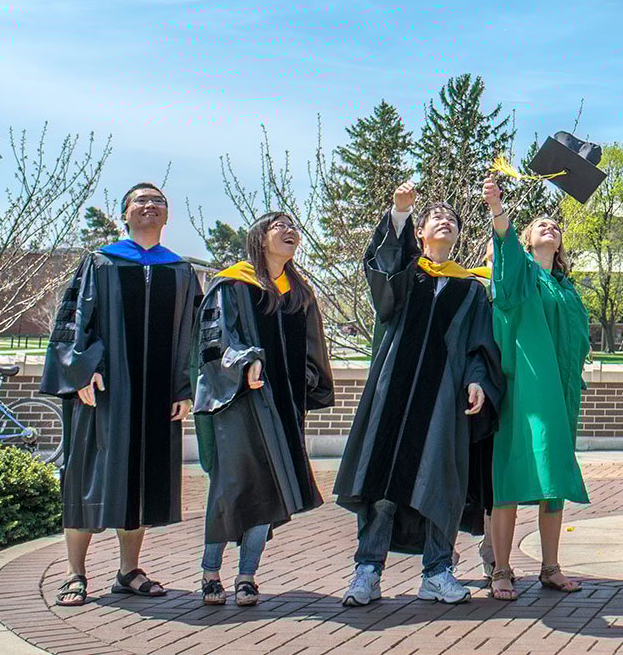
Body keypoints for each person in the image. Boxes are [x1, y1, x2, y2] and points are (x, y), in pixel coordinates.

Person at [333, 183, 501, 607]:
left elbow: (480, 343)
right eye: (436, 218)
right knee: (384, 483)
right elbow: (383, 273)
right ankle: (367, 571)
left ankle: (437, 572)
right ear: (422, 232)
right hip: (395, 393)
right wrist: (399, 213)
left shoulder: (471, 289)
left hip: (445, 398)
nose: (446, 222)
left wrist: (478, 378)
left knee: (440, 481)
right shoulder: (408, 273)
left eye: (453, 220)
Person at [40, 182, 202, 608]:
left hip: (155, 396)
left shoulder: (180, 271)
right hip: (104, 392)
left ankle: (128, 571)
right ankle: (75, 573)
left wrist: (184, 388)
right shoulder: (100, 262)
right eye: (140, 201)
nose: (150, 206)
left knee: (140, 482)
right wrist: (81, 370)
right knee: (89, 478)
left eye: (158, 201)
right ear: (125, 214)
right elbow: (73, 319)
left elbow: (194, 335)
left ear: (166, 216)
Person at [192, 212, 336, 608]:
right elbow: (216, 340)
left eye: (294, 227)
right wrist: (246, 362)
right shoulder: (233, 284)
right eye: (280, 226)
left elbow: (311, 347)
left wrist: (305, 378)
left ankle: (246, 576)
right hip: (238, 402)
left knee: (269, 489)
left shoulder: (298, 292)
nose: (290, 232)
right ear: (259, 237)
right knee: (231, 486)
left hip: (284, 406)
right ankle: (209, 571)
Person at [483, 177, 592, 600]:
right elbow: (504, 271)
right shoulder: (521, 273)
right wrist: (498, 212)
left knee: (555, 476)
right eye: (540, 224)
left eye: (554, 225)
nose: (550, 226)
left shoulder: (566, 289)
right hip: (525, 389)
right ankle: (502, 569)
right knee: (511, 473)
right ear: (526, 239)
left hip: (563, 392)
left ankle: (550, 566)